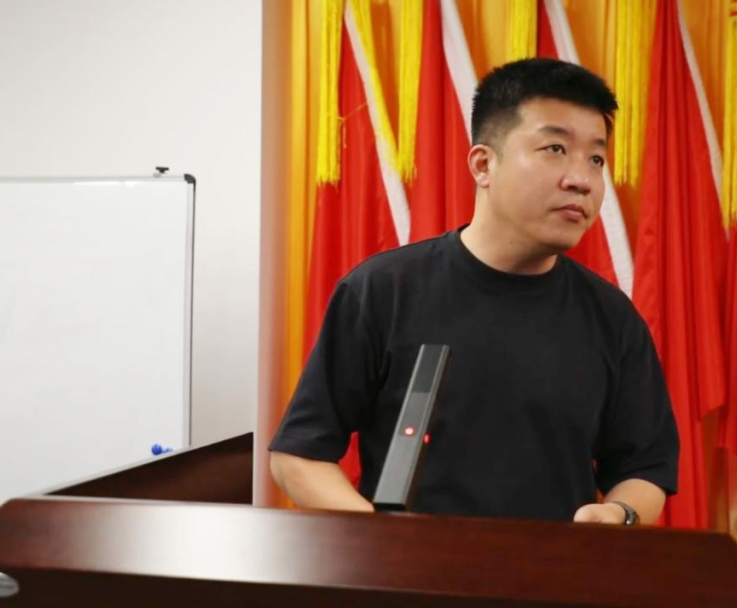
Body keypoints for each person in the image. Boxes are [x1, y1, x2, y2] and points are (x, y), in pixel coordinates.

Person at [269, 57, 678, 526]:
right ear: (484, 164)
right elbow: (298, 456)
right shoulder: (383, 291)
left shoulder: (611, 317)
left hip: (557, 567)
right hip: (410, 568)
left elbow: (644, 469)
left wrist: (619, 516)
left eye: (596, 159)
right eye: (555, 149)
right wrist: (382, 538)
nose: (581, 179)